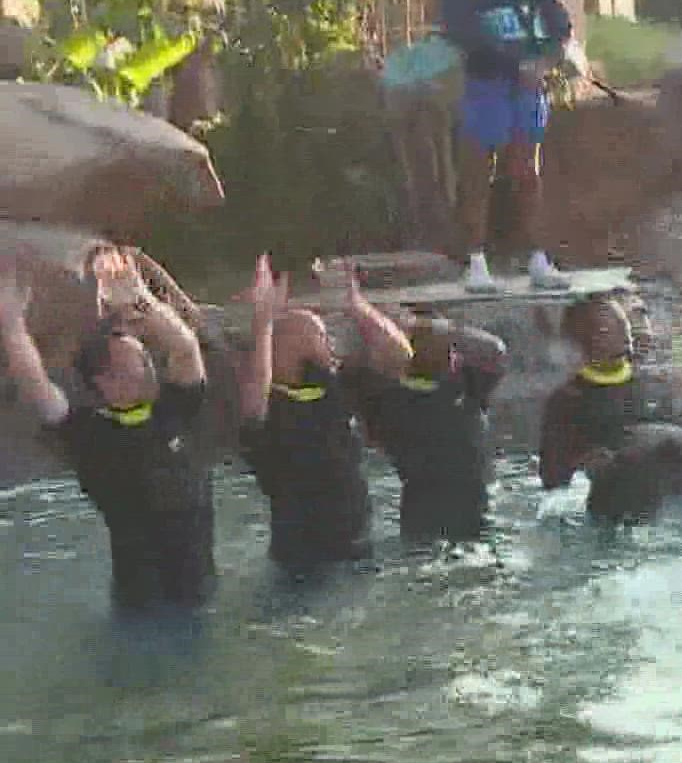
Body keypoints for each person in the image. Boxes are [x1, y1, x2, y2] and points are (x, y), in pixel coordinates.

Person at [0, 248, 280, 615]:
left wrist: (140, 299)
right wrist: (11, 325)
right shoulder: (90, 436)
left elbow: (184, 347)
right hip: (144, 614)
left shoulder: (173, 410)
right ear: (107, 381)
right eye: (139, 360)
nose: (151, 364)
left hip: (200, 602)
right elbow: (36, 386)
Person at [439, 0, 573, 293]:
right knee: (478, 169)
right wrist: (510, 62)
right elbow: (459, 27)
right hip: (485, 83)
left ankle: (536, 258)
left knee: (526, 170)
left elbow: (557, 21)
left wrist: (548, 59)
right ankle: (476, 262)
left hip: (528, 87)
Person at [238, 262, 409, 577]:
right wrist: (263, 322)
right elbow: (253, 401)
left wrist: (357, 307)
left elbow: (399, 355)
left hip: (357, 549)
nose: (329, 342)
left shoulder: (338, 384)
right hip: (303, 562)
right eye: (319, 336)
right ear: (283, 350)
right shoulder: (271, 407)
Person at [539, 294, 682, 524]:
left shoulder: (656, 385)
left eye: (624, 325)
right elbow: (552, 478)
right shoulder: (568, 401)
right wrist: (585, 463)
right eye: (610, 329)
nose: (625, 334)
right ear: (586, 340)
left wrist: (662, 436)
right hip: (612, 513)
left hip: (675, 508)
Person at [360, 313, 508, 544]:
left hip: (421, 513)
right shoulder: (467, 388)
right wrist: (448, 329)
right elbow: (495, 349)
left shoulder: (386, 401)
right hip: (468, 509)